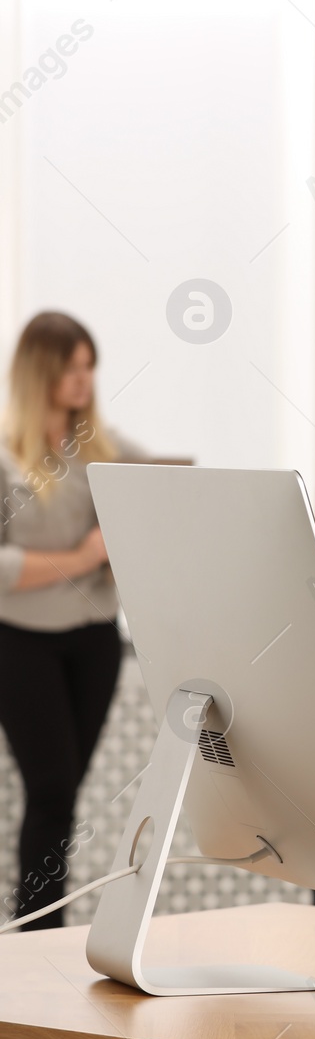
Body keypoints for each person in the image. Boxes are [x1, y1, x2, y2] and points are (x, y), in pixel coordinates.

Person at [0, 311, 150, 930]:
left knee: (63, 799)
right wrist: (83, 557)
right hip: (20, 643)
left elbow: (165, 500)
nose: (84, 380)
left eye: (90, 367)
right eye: (71, 368)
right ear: (41, 373)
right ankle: (33, 935)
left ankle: (41, 933)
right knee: (53, 790)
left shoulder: (108, 454)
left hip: (93, 642)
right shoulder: (7, 457)